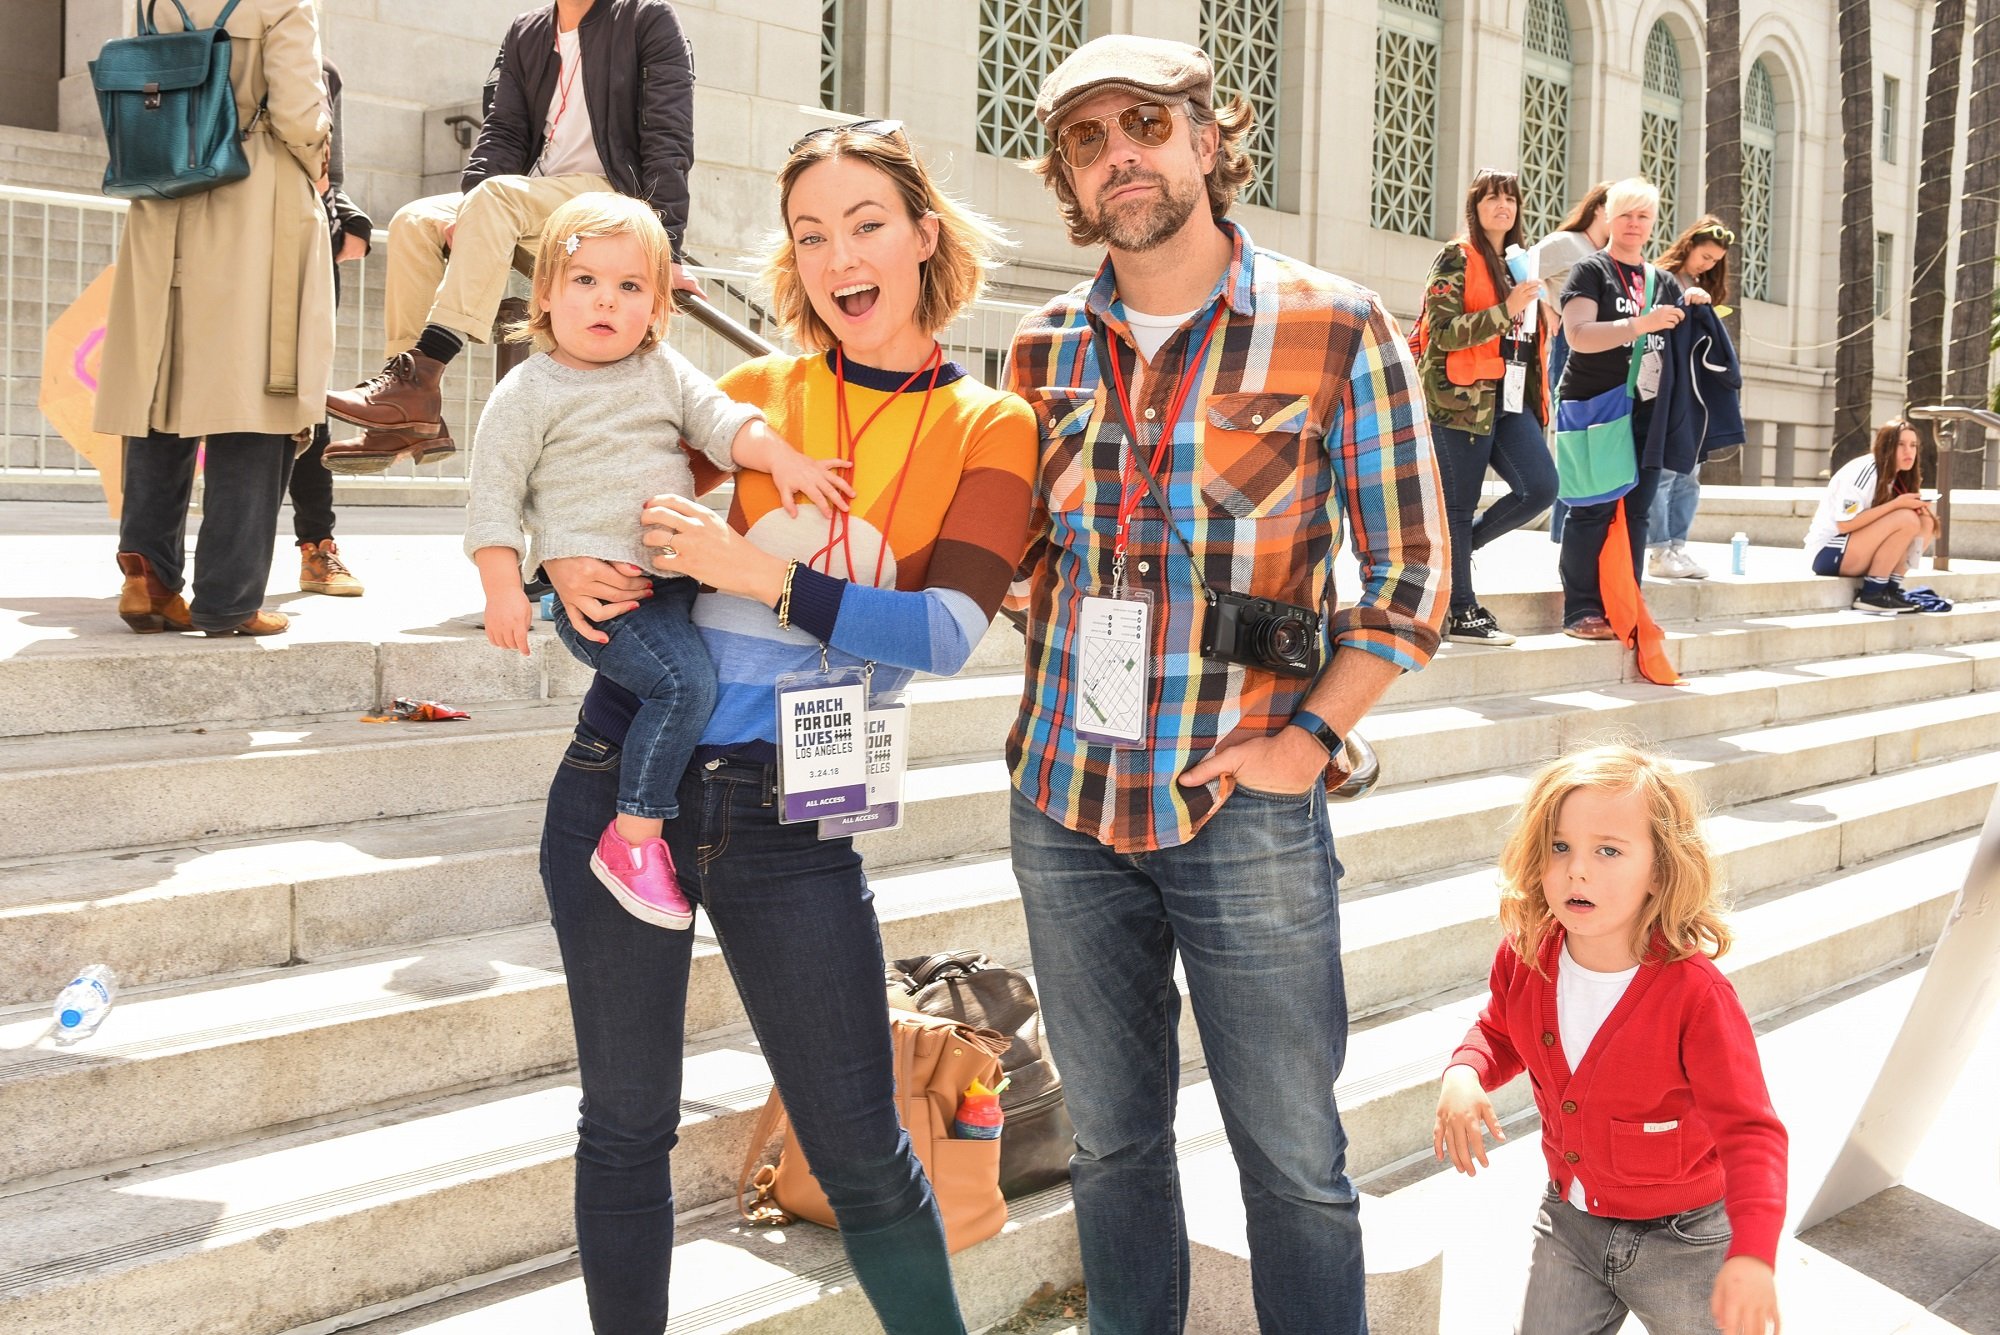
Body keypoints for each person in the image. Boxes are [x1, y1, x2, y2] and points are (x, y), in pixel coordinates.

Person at [536, 123, 1037, 1333]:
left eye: (866, 222)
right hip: (622, 782)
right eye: (810, 235)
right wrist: (567, 583)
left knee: (861, 1148)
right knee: (623, 1128)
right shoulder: (741, 399)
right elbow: (608, 546)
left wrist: (757, 577)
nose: (837, 256)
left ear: (925, 236)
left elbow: (942, 633)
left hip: (791, 820)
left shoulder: (990, 424)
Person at [1007, 36, 1447, 1333]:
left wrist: (1311, 738)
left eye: (1143, 121)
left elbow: (1415, 569)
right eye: (1087, 140)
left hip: (1246, 800)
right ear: (1071, 181)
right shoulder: (1039, 353)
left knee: (1297, 1168)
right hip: (1068, 798)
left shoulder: (1333, 323)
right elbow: (1006, 558)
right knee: (1110, 1150)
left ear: (1208, 137)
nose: (1117, 154)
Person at [466, 192, 848, 928]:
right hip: (606, 601)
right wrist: (505, 587)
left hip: (675, 583)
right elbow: (492, 499)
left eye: (630, 286)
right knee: (682, 684)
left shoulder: (662, 370)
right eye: (585, 282)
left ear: (658, 306)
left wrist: (785, 458)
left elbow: (726, 424)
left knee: (697, 677)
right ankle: (633, 835)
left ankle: (662, 823)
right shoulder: (527, 391)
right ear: (545, 294)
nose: (606, 301)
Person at [1434, 744, 1787, 1335]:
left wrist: (1753, 1254)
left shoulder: (1696, 996)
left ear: (1661, 868)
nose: (1577, 869)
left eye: (1608, 851)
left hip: (1687, 1240)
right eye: (1560, 846)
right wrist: (1465, 1072)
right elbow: (1499, 1030)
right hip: (1569, 1225)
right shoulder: (1525, 956)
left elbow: (1751, 1134)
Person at [322, 0, 698, 472]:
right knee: (415, 220)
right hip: (534, 192)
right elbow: (502, 130)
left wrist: (666, 244)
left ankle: (426, 369)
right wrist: (472, 206)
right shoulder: (528, 31)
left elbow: (669, 135)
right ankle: (404, 411)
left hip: (608, 193)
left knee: (498, 196)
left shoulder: (645, 18)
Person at [99, 0, 332, 638]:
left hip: (162, 187)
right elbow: (298, 111)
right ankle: (229, 600)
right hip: (254, 197)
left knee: (160, 387)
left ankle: (147, 579)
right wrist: (319, 167)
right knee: (257, 390)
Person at [1553, 178, 1709, 641]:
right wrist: (1640, 323)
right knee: (1592, 507)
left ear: (1653, 222)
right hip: (1594, 405)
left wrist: (1693, 301)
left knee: (1638, 511)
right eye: (1626, 215)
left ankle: (1625, 599)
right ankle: (1581, 609)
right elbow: (1578, 335)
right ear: (1608, 218)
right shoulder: (1590, 271)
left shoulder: (1661, 280)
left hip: (1648, 411)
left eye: (1643, 216)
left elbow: (1676, 335)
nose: (1634, 224)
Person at [1418, 168, 1556, 646]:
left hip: (1511, 398)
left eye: (1511, 199)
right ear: (1475, 206)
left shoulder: (1518, 262)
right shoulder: (1458, 256)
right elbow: (1444, 330)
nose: (1503, 206)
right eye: (1492, 198)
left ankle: (1462, 547)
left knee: (1540, 488)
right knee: (1457, 505)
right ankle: (1461, 610)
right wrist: (1508, 308)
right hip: (1458, 398)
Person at [291, 56, 371, 597]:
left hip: (309, 241)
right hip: (229, 237)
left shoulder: (322, 69)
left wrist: (347, 216)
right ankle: (159, 564)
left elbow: (328, 177)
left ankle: (318, 547)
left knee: (308, 396)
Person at [1646, 217, 1737, 580]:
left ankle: (1677, 546)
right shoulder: (1660, 278)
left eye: (1715, 260)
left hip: (1694, 390)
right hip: (1664, 387)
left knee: (1690, 473)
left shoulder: (1704, 288)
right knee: (1667, 471)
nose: (1708, 264)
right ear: (1688, 246)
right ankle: (1658, 550)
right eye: (1705, 255)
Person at [1534, 182, 1611, 545]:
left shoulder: (1609, 255)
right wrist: (1547, 310)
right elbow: (1519, 271)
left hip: (1603, 352)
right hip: (1569, 347)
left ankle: (1579, 533)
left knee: (1593, 442)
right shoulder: (1568, 244)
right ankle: (1563, 535)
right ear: (1598, 208)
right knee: (1570, 438)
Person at [1803, 418, 1938, 614]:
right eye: (1901, 444)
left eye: (1913, 445)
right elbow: (1845, 524)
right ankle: (1872, 594)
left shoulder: (1899, 475)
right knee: (1906, 518)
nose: (1909, 451)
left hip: (1855, 552)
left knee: (1926, 521)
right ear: (1886, 447)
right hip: (1828, 553)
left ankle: (1890, 589)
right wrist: (1896, 505)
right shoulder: (1866, 470)